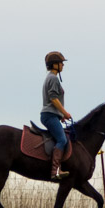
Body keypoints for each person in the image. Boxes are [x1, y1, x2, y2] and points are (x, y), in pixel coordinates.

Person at [41, 51, 73, 181]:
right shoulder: (53, 78)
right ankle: (55, 171)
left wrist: (60, 115)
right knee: (62, 140)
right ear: (54, 65)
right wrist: (64, 112)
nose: (63, 65)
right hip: (49, 115)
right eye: (61, 63)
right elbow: (53, 99)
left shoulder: (49, 77)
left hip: (52, 115)